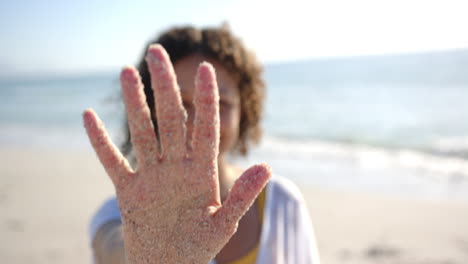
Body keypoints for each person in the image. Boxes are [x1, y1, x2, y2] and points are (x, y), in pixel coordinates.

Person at [84, 25, 321, 263]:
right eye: (181, 102)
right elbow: (111, 246)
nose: (199, 120)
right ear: (150, 111)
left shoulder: (283, 203)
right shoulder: (121, 213)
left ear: (244, 113)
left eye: (220, 103)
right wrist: (154, 252)